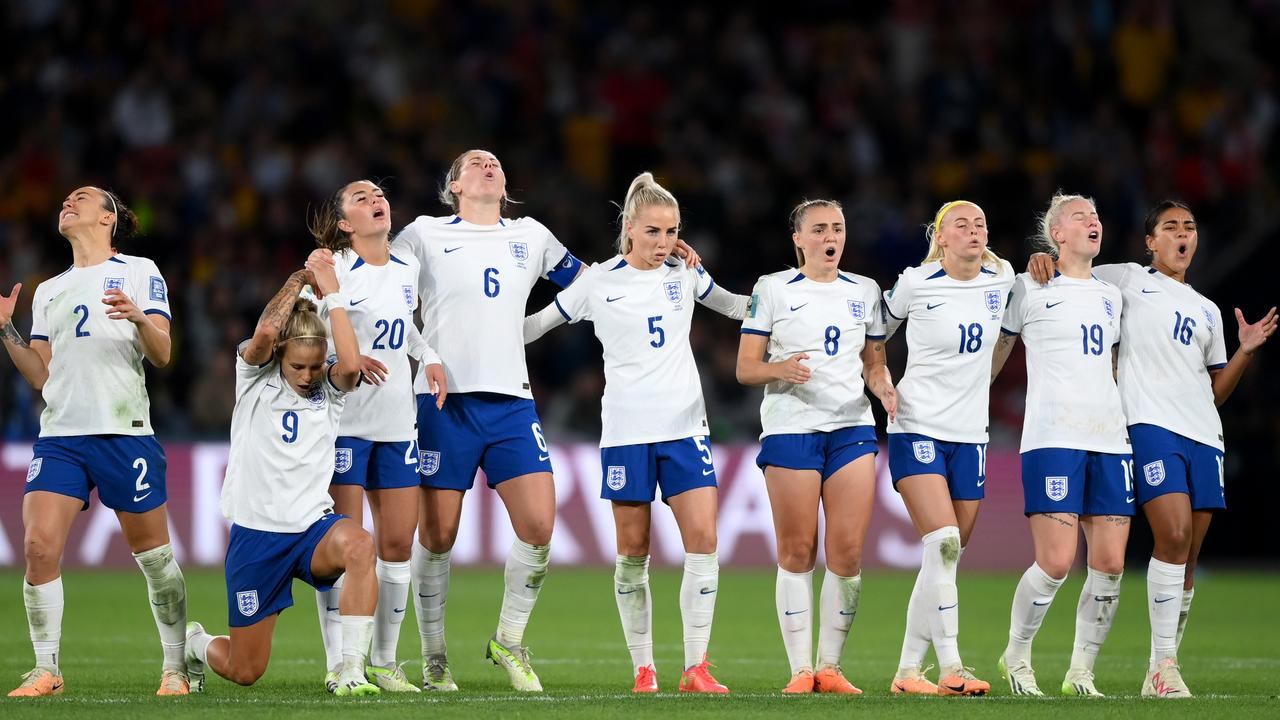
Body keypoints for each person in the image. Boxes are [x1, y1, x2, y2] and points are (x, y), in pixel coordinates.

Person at [392, 149, 699, 691]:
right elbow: (380, 286)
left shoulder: (531, 236)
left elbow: (600, 283)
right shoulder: (423, 234)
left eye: (495, 162)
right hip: (445, 401)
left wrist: (660, 252)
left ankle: (508, 640)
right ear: (455, 185)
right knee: (438, 534)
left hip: (513, 402)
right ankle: (434, 654)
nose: (489, 165)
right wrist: (419, 350)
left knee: (538, 525)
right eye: (476, 163)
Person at [1026, 200, 1276, 697]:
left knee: (1188, 555)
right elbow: (1075, 268)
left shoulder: (1207, 309)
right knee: (1175, 533)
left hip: (1204, 433)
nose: (1183, 234)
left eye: (1190, 227)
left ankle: (1161, 667)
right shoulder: (1125, 278)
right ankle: (1164, 668)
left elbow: (1216, 392)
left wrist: (1245, 351)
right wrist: (1044, 260)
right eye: (1171, 227)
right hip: (1148, 425)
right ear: (1151, 241)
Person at [523, 172, 745, 694]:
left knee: (705, 543)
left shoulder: (686, 274)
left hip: (686, 428)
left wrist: (787, 298)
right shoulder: (597, 282)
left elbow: (738, 307)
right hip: (625, 433)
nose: (663, 243)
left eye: (671, 232)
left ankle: (696, 667)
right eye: (653, 232)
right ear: (628, 228)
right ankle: (644, 669)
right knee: (633, 552)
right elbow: (535, 327)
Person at [0, 187, 189, 697]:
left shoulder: (140, 270)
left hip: (123, 434)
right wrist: (5, 331)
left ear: (107, 218)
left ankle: (176, 667)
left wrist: (139, 317)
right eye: (63, 198)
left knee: (155, 560)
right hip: (61, 436)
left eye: (80, 198)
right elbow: (41, 376)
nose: (67, 202)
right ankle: (47, 670)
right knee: (38, 547)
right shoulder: (48, 290)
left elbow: (163, 353)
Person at [184, 250, 381, 696]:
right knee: (244, 670)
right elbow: (267, 330)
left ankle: (350, 671)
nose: (309, 375)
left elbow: (349, 367)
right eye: (298, 366)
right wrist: (300, 278)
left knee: (360, 546)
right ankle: (195, 642)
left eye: (315, 365)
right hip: (258, 537)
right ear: (279, 356)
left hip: (311, 528)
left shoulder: (328, 390)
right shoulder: (253, 375)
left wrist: (331, 296)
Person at [736, 199, 897, 695]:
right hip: (791, 428)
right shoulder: (773, 288)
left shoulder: (864, 291)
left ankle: (830, 667)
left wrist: (885, 388)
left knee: (846, 552)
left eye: (838, 228)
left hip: (852, 428)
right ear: (799, 240)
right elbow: (746, 367)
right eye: (820, 229)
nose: (831, 236)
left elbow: (874, 362)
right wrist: (779, 370)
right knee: (797, 549)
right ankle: (799, 670)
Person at [307, 180, 447, 693]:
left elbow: (402, 325)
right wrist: (335, 362)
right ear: (345, 222)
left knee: (395, 544)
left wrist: (427, 355)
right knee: (348, 544)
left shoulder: (406, 268)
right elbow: (303, 332)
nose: (376, 200)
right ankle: (340, 661)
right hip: (345, 424)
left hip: (396, 423)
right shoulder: (331, 268)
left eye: (380, 195)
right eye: (361, 198)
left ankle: (384, 663)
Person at [991, 193, 1131, 697]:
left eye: (1096, 215)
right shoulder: (1028, 287)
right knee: (1055, 563)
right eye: (1080, 217)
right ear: (1057, 235)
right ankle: (1017, 654)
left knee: (1111, 565)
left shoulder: (1113, 294)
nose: (1093, 221)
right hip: (1052, 438)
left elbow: (1113, 366)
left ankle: (1080, 672)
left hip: (1110, 441)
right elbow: (997, 355)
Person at [881, 201, 1011, 696]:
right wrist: (879, 376)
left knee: (945, 557)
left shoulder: (1002, 279)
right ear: (941, 237)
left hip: (970, 434)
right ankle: (953, 665)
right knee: (943, 541)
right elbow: (876, 334)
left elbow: (1015, 328)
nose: (974, 230)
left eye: (981, 223)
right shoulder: (915, 282)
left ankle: (908, 673)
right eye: (962, 224)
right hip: (915, 425)